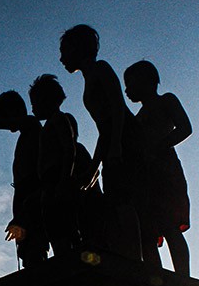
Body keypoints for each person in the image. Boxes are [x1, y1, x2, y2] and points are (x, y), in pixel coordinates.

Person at [59, 24, 145, 260]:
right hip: (112, 143)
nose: (62, 58)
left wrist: (116, 146)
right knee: (117, 201)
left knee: (123, 201)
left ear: (78, 48)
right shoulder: (89, 78)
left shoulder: (101, 69)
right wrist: (95, 165)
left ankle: (135, 261)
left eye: (65, 51)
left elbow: (118, 108)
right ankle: (129, 258)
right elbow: (103, 127)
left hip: (125, 142)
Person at [124, 60, 192, 275]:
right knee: (147, 231)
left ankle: (183, 278)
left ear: (147, 81)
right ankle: (156, 279)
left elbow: (185, 128)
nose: (127, 90)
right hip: (144, 176)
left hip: (165, 170)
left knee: (169, 226)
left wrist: (157, 147)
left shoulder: (166, 100)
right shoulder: (137, 118)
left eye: (130, 83)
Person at [0, 91, 49, 268]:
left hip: (31, 199)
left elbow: (34, 178)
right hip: (27, 199)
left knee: (33, 249)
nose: (9, 128)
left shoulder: (32, 128)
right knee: (29, 250)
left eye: (7, 122)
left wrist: (22, 214)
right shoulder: (29, 130)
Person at [28, 74, 80, 256]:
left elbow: (69, 149)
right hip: (49, 182)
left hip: (58, 179)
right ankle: (63, 256)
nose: (33, 108)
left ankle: (71, 258)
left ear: (47, 101)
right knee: (54, 226)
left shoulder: (59, 119)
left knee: (64, 225)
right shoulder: (50, 125)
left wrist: (64, 181)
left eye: (35, 103)